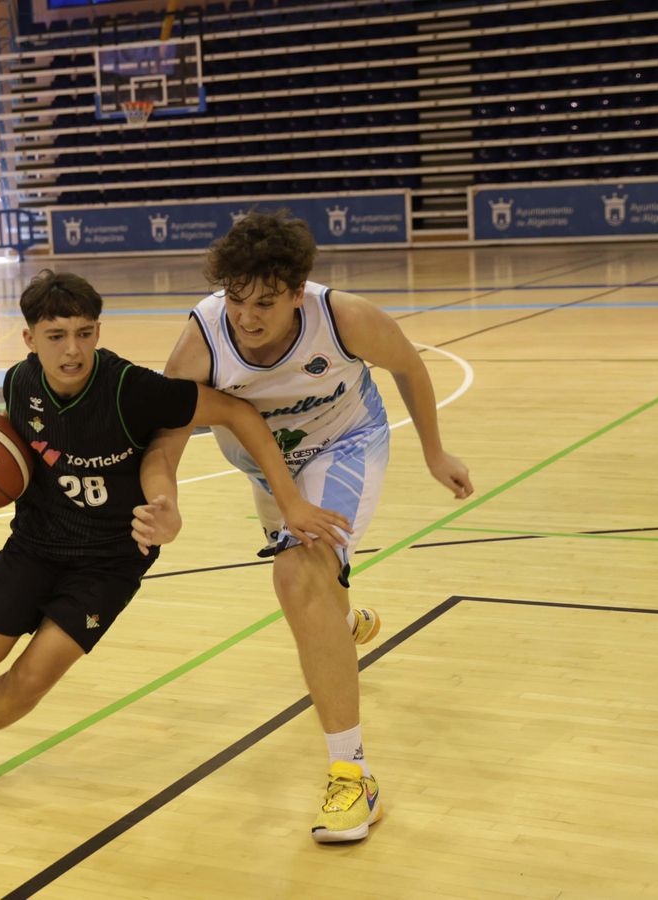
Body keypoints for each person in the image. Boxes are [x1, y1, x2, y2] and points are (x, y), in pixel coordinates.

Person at [0, 269, 349, 808]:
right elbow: (14, 446)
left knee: (31, 678)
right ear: (29, 339)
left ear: (99, 331)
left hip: (110, 562)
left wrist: (286, 502)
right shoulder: (20, 382)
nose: (72, 350)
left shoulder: (132, 389)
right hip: (37, 543)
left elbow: (237, 412)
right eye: (56, 336)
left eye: (84, 333)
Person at [134, 211, 474, 843]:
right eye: (236, 299)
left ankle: (354, 776)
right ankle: (343, 626)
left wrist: (434, 452)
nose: (247, 317)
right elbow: (166, 438)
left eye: (264, 302)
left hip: (345, 446)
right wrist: (165, 499)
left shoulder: (344, 318)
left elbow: (409, 365)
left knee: (298, 576)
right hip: (267, 471)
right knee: (316, 592)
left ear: (297, 293)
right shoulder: (202, 340)